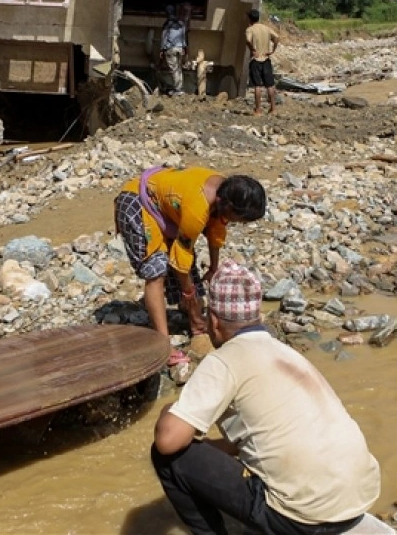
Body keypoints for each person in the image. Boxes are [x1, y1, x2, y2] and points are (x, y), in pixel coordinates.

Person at [151, 261, 382, 535]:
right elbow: (265, 435)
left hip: (303, 520)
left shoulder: (225, 360)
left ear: (213, 320)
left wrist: (170, 409)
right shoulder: (284, 352)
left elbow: (168, 441)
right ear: (257, 315)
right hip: (356, 499)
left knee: (169, 459)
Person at [113, 168, 266, 365]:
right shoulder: (199, 206)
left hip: (166, 210)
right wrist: (188, 293)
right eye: (240, 220)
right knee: (156, 270)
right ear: (226, 205)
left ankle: (194, 323)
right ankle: (164, 345)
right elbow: (181, 256)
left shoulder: (227, 192)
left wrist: (213, 268)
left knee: (189, 272)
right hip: (138, 202)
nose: (240, 224)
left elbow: (216, 230)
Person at [245, 10, 281, 115]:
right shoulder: (266, 28)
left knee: (257, 86)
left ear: (250, 19)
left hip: (255, 60)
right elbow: (277, 38)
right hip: (266, 59)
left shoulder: (250, 29)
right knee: (270, 85)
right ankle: (273, 108)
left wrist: (252, 49)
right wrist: (273, 50)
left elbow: (248, 40)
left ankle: (258, 109)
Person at [160, 4, 189, 97]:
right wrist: (185, 48)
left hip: (170, 49)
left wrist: (162, 50)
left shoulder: (167, 24)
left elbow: (164, 38)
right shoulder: (181, 24)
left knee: (174, 69)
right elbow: (184, 37)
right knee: (179, 69)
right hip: (180, 48)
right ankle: (180, 88)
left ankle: (178, 90)